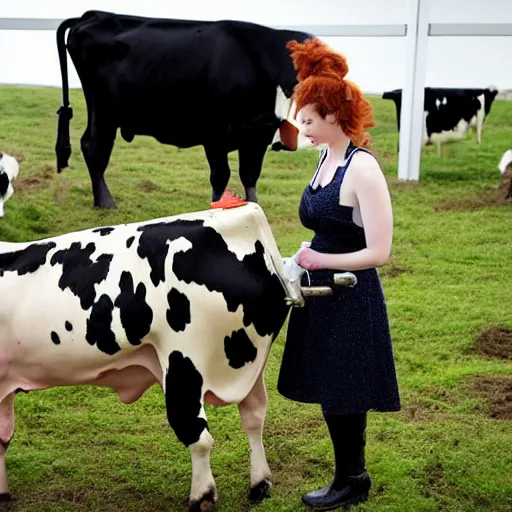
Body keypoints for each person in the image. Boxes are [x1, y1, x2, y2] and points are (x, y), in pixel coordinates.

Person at [277, 38, 401, 510]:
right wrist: (312, 250)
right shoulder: (325, 160)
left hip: (351, 293)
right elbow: (334, 227)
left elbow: (380, 251)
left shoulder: (363, 169)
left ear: (333, 116)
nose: (301, 127)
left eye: (307, 119)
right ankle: (350, 476)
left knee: (346, 390)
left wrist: (322, 259)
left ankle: (352, 478)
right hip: (321, 289)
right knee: (333, 387)